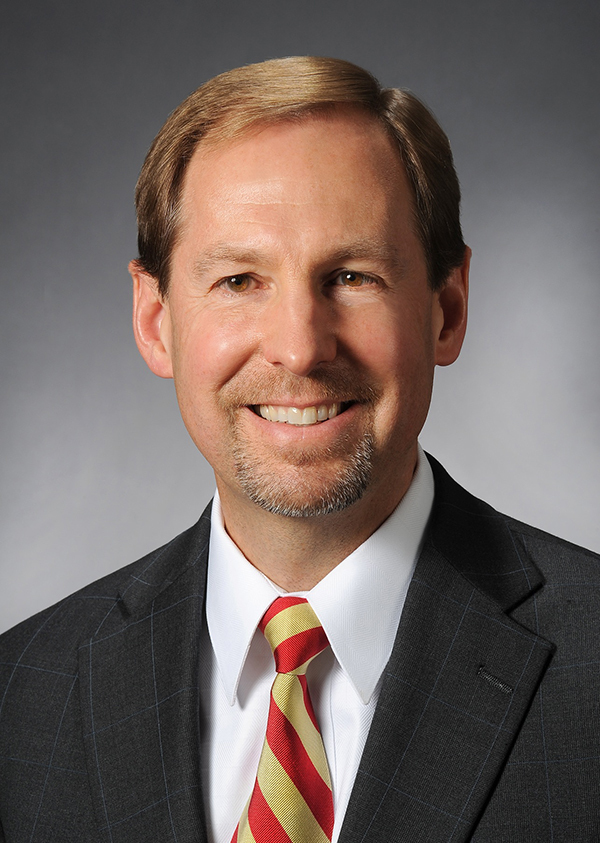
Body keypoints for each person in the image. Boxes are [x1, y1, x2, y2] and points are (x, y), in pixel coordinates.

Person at [0, 56, 598, 843]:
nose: (300, 348)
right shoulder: (21, 696)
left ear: (446, 310)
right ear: (156, 322)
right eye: (242, 280)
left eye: (352, 275)